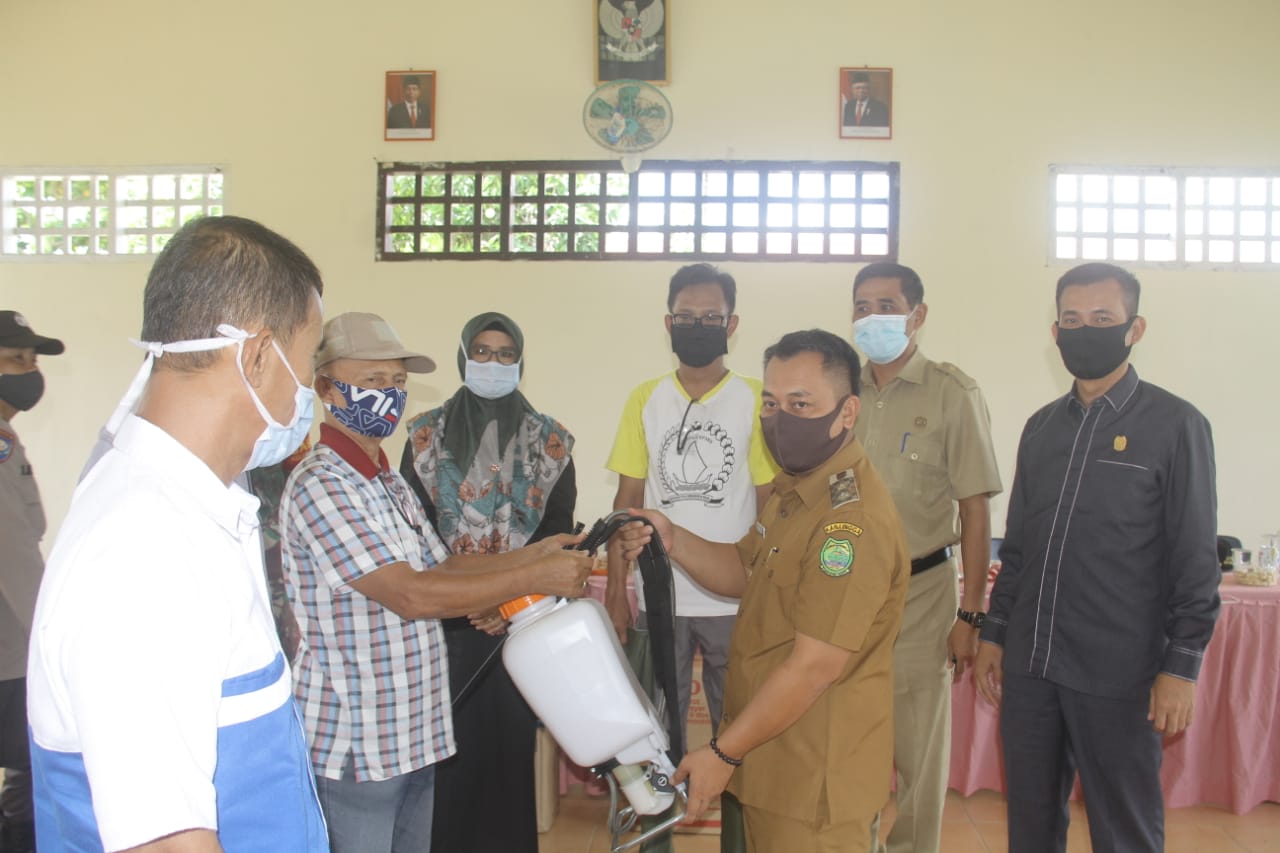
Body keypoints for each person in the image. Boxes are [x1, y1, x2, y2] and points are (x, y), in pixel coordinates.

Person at [27, 216, 330, 852]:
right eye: (308, 363)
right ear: (257, 356)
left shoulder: (194, 510)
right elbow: (163, 843)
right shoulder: (145, 550)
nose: (310, 392)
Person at [281, 311, 591, 853]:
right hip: (359, 744)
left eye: (397, 381)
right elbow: (410, 593)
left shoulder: (386, 482)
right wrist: (533, 575)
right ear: (326, 387)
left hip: (414, 734)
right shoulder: (324, 483)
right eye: (371, 380)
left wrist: (535, 554)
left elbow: (445, 567)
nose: (388, 394)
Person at [617, 329, 909, 852]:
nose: (780, 419)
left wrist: (721, 752)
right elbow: (744, 570)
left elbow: (814, 665)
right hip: (775, 759)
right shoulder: (796, 492)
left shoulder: (849, 524)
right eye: (771, 403)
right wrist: (672, 537)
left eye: (801, 404)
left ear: (847, 412)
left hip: (814, 778)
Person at [973, 262, 1220, 853]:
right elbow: (1019, 547)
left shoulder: (1176, 425)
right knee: (1031, 825)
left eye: (1103, 318)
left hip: (1120, 673)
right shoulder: (1041, 429)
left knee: (1124, 829)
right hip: (1032, 666)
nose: (1086, 331)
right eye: (1073, 319)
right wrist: (995, 634)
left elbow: (1195, 559)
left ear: (1135, 329)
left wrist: (1181, 668)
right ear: (1055, 332)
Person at [399, 311, 577, 853]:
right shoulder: (424, 438)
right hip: (443, 629)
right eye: (481, 351)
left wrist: (505, 603)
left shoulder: (551, 443)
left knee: (506, 760)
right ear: (463, 357)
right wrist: (469, 597)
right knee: (446, 766)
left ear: (520, 361)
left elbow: (558, 541)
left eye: (505, 354)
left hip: (517, 630)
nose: (493, 363)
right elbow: (414, 536)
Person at [849, 263, 1002, 853]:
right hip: (846, 590)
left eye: (886, 306)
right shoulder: (841, 391)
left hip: (922, 593)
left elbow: (975, 510)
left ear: (918, 315)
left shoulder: (951, 393)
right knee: (851, 744)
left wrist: (971, 613)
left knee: (919, 747)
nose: (872, 317)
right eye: (861, 307)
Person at [604, 263, 777, 760]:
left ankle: (739, 814)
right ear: (668, 324)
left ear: (731, 324)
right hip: (660, 597)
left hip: (735, 602)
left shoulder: (756, 399)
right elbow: (626, 503)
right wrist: (616, 589)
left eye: (710, 317)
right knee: (657, 733)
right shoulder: (645, 399)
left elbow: (769, 504)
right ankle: (662, 810)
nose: (697, 326)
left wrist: (768, 591)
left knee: (739, 731)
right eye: (685, 317)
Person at [0, 311, 63, 853]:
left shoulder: (6, 437)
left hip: (12, 645)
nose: (30, 372)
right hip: (12, 649)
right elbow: (12, 552)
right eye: (15, 360)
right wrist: (48, 636)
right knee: (28, 771)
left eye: (31, 360)